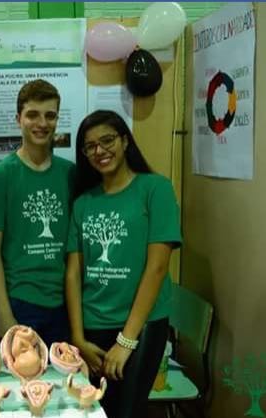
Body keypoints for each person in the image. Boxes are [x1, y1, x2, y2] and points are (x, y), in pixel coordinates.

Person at [65, 110, 182, 418]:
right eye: (90, 146)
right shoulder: (83, 202)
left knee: (127, 412)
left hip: (142, 326)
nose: (99, 151)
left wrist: (127, 341)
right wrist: (78, 337)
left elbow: (157, 268)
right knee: (94, 411)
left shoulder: (156, 189)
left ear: (125, 141)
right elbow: (74, 273)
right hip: (93, 326)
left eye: (107, 140)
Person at [0, 79, 76, 347]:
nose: (42, 123)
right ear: (18, 118)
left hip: (65, 302)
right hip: (20, 302)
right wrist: (4, 313)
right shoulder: (0, 176)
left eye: (50, 115)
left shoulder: (70, 174)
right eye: (32, 115)